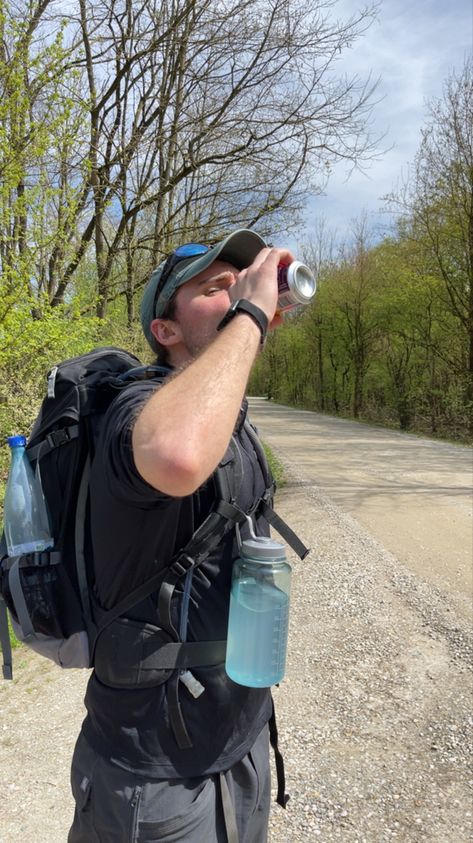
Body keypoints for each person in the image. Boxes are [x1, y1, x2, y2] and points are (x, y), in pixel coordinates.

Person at [68, 229, 296, 843]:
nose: (237, 295)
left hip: (236, 738)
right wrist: (248, 313)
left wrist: (255, 317)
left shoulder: (226, 414)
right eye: (215, 288)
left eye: (239, 285)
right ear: (165, 330)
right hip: (155, 774)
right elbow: (174, 454)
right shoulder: (134, 409)